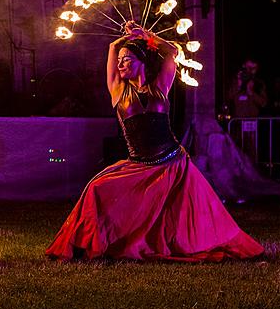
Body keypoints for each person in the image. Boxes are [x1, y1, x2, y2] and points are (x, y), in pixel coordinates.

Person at [45, 22, 263, 262]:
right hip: (139, 166)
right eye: (119, 60)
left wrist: (147, 36)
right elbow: (111, 47)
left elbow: (171, 51)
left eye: (126, 60)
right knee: (97, 188)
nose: (120, 64)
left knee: (184, 223)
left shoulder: (160, 88)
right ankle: (90, 245)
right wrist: (122, 42)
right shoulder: (118, 90)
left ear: (142, 63)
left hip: (174, 165)